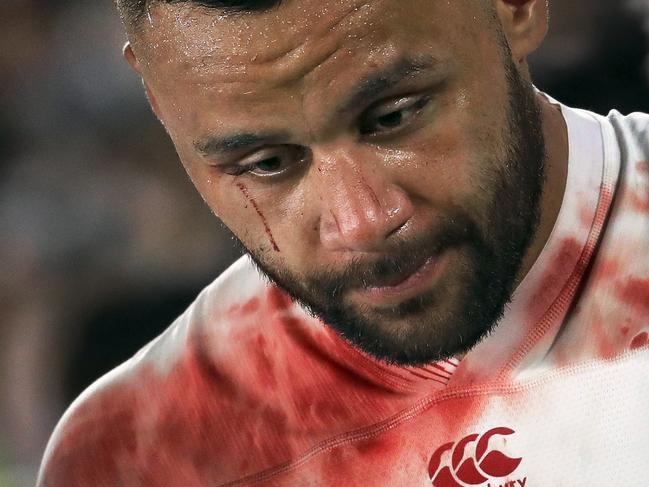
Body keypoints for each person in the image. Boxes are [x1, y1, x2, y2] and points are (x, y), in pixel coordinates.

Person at [38, 0, 649, 485]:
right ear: (161, 104)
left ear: (514, 5)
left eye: (394, 117)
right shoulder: (141, 458)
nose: (361, 223)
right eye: (268, 163)